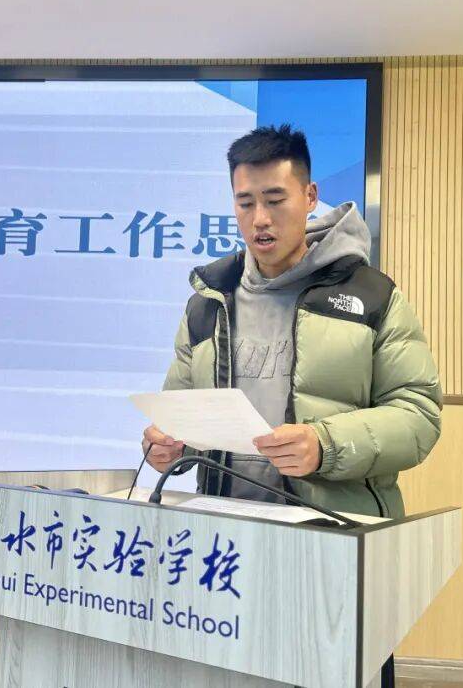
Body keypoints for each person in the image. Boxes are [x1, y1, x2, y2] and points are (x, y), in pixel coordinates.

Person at [142, 123, 442, 688]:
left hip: (333, 548)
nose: (259, 218)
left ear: (309, 196)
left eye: (275, 200)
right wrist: (165, 445)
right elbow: (177, 408)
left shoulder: (371, 296)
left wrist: (325, 445)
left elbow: (419, 414)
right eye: (245, 202)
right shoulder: (208, 302)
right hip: (226, 551)